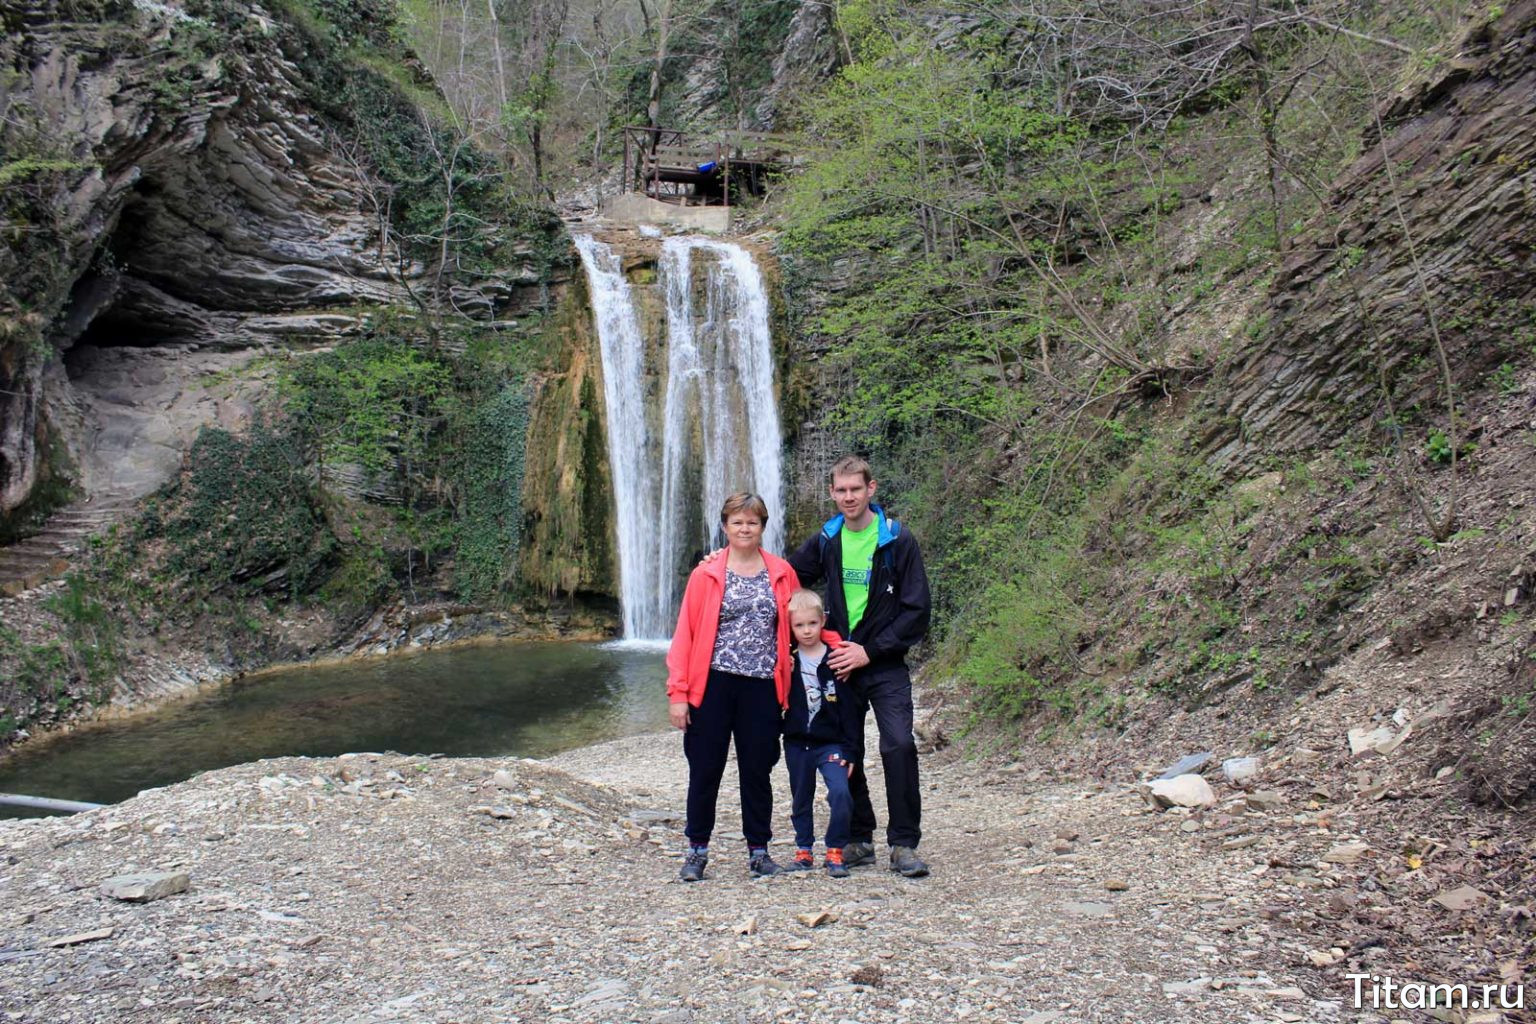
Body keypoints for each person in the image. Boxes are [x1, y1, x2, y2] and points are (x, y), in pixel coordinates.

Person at [786, 455, 932, 878]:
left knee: (898, 745)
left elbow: (916, 611)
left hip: (882, 663)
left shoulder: (896, 539)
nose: (849, 497)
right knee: (843, 748)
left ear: (871, 489)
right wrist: (727, 562)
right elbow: (785, 575)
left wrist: (869, 651)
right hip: (839, 664)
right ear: (832, 493)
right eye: (841, 490)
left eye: (856, 489)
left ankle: (904, 843)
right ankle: (858, 837)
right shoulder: (827, 540)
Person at [666, 492, 800, 881]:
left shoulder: (781, 572)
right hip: (712, 685)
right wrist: (679, 694)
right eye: (737, 521)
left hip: (761, 685)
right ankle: (697, 851)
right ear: (725, 526)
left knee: (758, 770)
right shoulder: (706, 574)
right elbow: (685, 636)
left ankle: (759, 851)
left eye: (752, 522)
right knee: (705, 769)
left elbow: (801, 620)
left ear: (762, 527)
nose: (745, 528)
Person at [781, 589, 856, 878]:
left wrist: (851, 750)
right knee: (801, 796)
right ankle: (804, 849)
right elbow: (777, 700)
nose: (807, 630)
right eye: (799, 626)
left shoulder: (837, 660)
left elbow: (849, 710)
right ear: (790, 628)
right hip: (798, 742)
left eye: (812, 623)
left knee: (840, 793)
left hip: (831, 742)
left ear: (822, 621)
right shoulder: (787, 661)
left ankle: (835, 849)